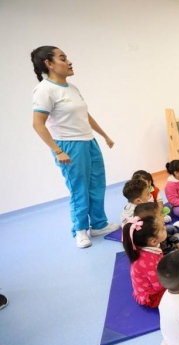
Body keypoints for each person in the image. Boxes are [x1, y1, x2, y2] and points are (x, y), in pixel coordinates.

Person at [31, 46, 118, 248]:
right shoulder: (44, 90)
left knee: (97, 184)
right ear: (49, 64)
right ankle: (80, 230)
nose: (69, 61)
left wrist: (104, 135)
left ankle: (98, 224)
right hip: (69, 145)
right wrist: (58, 150)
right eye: (63, 58)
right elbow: (37, 124)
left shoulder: (72, 88)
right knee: (79, 189)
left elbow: (85, 116)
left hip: (89, 142)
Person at [122, 215, 168, 307]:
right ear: (153, 241)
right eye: (163, 229)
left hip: (157, 280)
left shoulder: (150, 247)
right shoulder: (147, 261)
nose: (165, 228)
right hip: (151, 296)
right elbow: (159, 286)